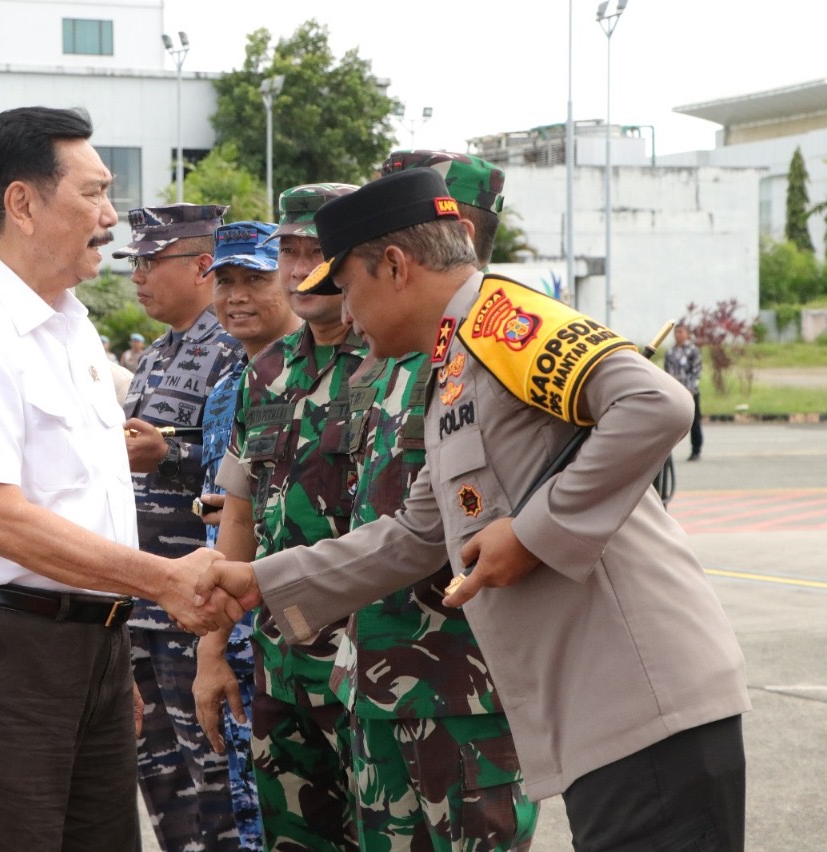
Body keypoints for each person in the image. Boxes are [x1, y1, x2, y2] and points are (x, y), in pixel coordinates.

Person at [197, 168, 750, 851]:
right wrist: (259, 583)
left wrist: (533, 532)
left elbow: (655, 403)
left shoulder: (500, 321)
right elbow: (414, 534)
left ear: (395, 266)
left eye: (347, 288)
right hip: (592, 707)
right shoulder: (451, 360)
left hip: (644, 700)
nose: (343, 312)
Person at [0, 105, 240, 852]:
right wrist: (161, 580)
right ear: (22, 202)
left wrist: (109, 658)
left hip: (89, 652)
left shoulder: (71, 326)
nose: (110, 216)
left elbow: (85, 497)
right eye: (93, 193)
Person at [326, 150, 536, 851]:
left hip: (468, 686)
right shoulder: (384, 359)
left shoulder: (513, 340)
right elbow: (386, 512)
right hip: (378, 679)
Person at [210, 182, 365, 851]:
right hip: (282, 663)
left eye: (316, 251)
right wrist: (212, 649)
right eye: (289, 251)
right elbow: (238, 520)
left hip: (376, 670)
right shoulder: (266, 371)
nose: (298, 269)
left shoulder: (399, 359)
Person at [112, 202, 246, 852]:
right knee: (165, 795)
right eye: (133, 262)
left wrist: (170, 454)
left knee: (216, 792)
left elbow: (244, 476)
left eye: (149, 261)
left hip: (195, 610)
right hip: (141, 609)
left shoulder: (234, 351)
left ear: (201, 265)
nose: (137, 275)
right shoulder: (155, 355)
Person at [192, 219, 298, 852]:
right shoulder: (229, 389)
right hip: (236, 643)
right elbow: (223, 532)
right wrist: (211, 652)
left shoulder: (334, 375)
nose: (236, 295)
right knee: (250, 826)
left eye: (255, 279)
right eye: (223, 280)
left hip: (309, 646)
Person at [666, 321, 704, 460]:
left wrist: (690, 390)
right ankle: (665, 451)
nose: (678, 335)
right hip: (674, 392)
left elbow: (696, 372)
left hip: (689, 392)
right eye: (676, 332)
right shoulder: (670, 352)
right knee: (669, 421)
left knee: (694, 422)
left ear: (687, 334)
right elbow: (666, 372)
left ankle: (696, 449)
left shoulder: (693, 351)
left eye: (681, 332)